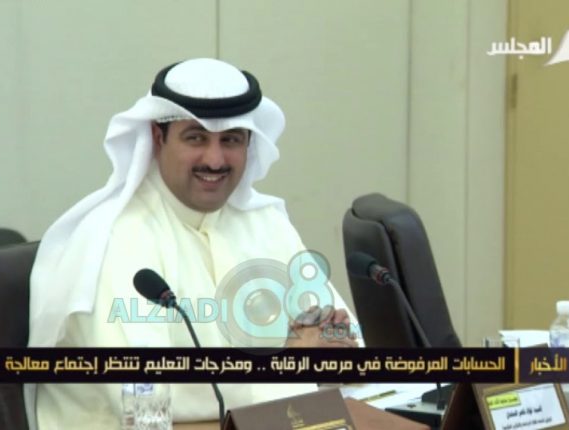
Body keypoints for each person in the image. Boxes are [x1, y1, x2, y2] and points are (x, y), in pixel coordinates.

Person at [25, 58, 361, 429]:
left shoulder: (264, 222)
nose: (214, 160)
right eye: (196, 138)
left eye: (231, 140)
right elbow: (147, 404)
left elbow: (342, 344)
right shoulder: (117, 240)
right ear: (158, 138)